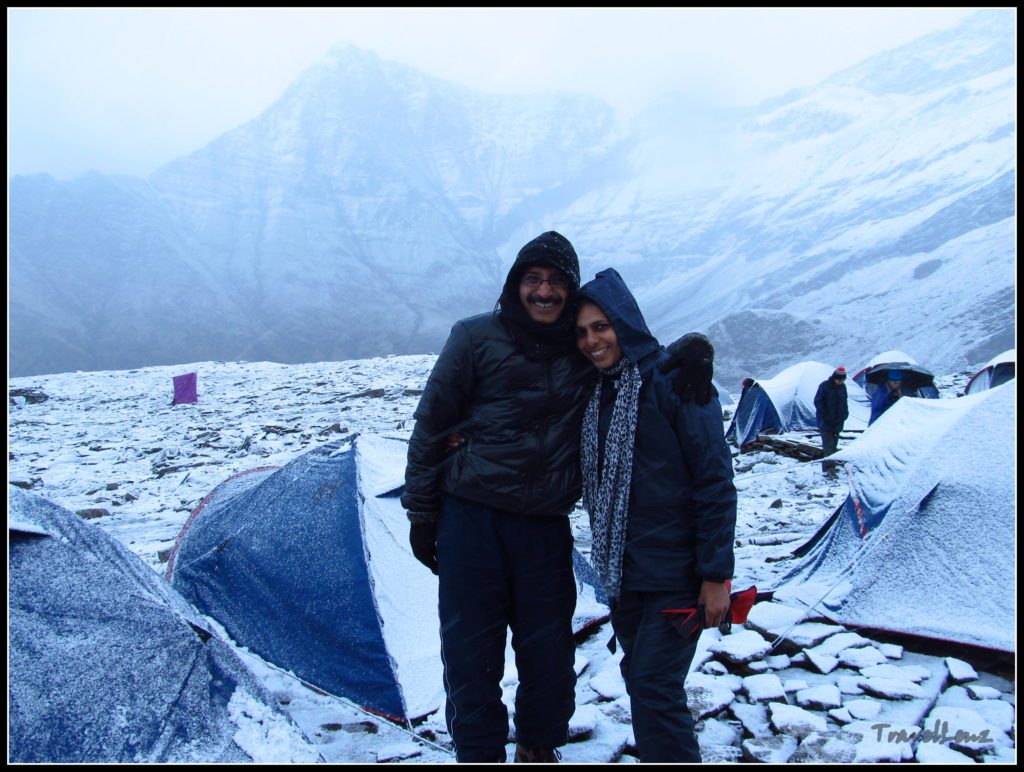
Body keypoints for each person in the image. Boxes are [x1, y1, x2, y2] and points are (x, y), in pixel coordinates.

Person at [574, 268, 737, 763]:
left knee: (653, 684)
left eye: (601, 326)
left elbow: (714, 482)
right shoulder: (596, 392)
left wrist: (715, 575)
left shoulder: (675, 382)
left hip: (675, 571)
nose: (592, 340)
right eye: (581, 332)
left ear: (625, 321)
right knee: (640, 679)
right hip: (625, 572)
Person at [814, 367, 849, 479]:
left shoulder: (843, 387)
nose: (840, 382)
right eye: (838, 380)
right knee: (828, 444)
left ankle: (830, 465)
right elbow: (818, 401)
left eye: (842, 380)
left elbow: (844, 402)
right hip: (826, 422)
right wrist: (824, 415)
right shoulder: (825, 386)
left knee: (834, 444)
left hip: (838, 421)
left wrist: (845, 414)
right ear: (834, 378)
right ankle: (830, 469)